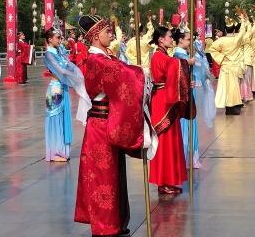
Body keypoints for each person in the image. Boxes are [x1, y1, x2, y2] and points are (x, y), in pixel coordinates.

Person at [75, 14, 157, 237]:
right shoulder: (96, 61)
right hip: (100, 127)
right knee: (104, 178)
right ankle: (105, 228)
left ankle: (116, 223)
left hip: (106, 124)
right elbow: (126, 77)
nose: (110, 33)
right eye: (106, 31)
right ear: (94, 36)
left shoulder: (106, 58)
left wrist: (137, 71)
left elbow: (124, 72)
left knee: (114, 176)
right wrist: (141, 72)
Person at [149, 26, 194, 194]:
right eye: (168, 36)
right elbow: (174, 66)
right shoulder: (159, 56)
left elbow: (173, 73)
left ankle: (168, 180)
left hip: (166, 97)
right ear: (160, 39)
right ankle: (163, 181)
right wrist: (186, 62)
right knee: (165, 140)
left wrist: (185, 84)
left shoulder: (162, 55)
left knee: (171, 139)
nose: (171, 39)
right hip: (162, 100)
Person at [44, 28, 90, 162]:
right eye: (57, 37)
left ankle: (61, 149)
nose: (60, 40)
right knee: (55, 118)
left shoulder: (58, 53)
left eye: (60, 37)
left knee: (62, 118)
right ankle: (54, 152)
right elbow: (62, 72)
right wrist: (77, 79)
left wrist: (80, 75)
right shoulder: (49, 55)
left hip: (61, 88)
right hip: (55, 89)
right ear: (50, 39)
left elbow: (70, 66)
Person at [173, 29, 200, 169]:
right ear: (180, 40)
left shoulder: (185, 55)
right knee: (185, 123)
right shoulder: (179, 55)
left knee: (191, 122)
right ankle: (184, 156)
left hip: (190, 91)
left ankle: (191, 156)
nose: (190, 42)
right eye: (188, 39)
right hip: (184, 94)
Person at [209, 16, 247, 115]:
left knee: (225, 87)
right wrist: (243, 20)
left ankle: (228, 107)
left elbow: (212, 49)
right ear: (234, 30)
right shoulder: (236, 39)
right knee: (234, 87)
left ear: (225, 30)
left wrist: (221, 58)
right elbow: (242, 32)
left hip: (225, 67)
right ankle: (233, 107)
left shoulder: (221, 41)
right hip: (235, 67)